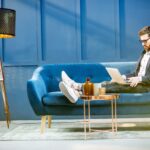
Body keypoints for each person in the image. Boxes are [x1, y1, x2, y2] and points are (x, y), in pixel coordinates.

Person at [59, 26, 150, 103]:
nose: (143, 44)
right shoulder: (144, 53)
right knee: (108, 83)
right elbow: (135, 74)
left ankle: (76, 88)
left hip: (145, 87)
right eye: (141, 41)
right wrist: (123, 77)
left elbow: (142, 77)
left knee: (116, 86)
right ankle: (77, 92)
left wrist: (139, 79)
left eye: (145, 41)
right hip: (137, 83)